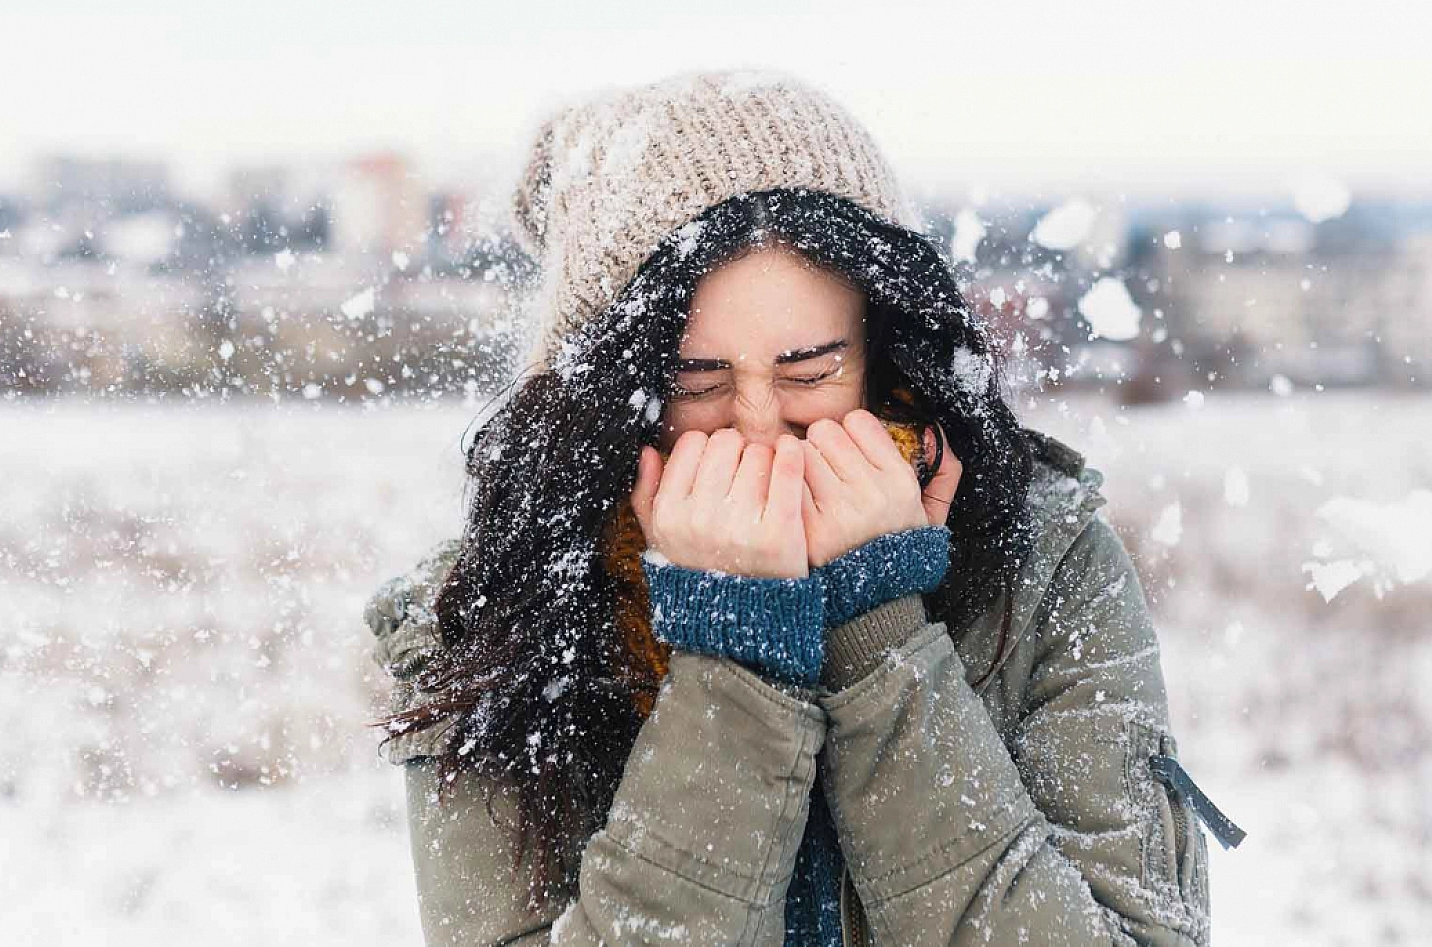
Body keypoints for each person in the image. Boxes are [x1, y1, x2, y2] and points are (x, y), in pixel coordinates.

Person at [363, 68, 1238, 947]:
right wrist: (733, 657)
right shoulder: (493, 625)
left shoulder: (1046, 566)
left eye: (810, 373)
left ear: (884, 352)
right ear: (611, 399)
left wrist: (879, 635)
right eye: (698, 382)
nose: (759, 429)